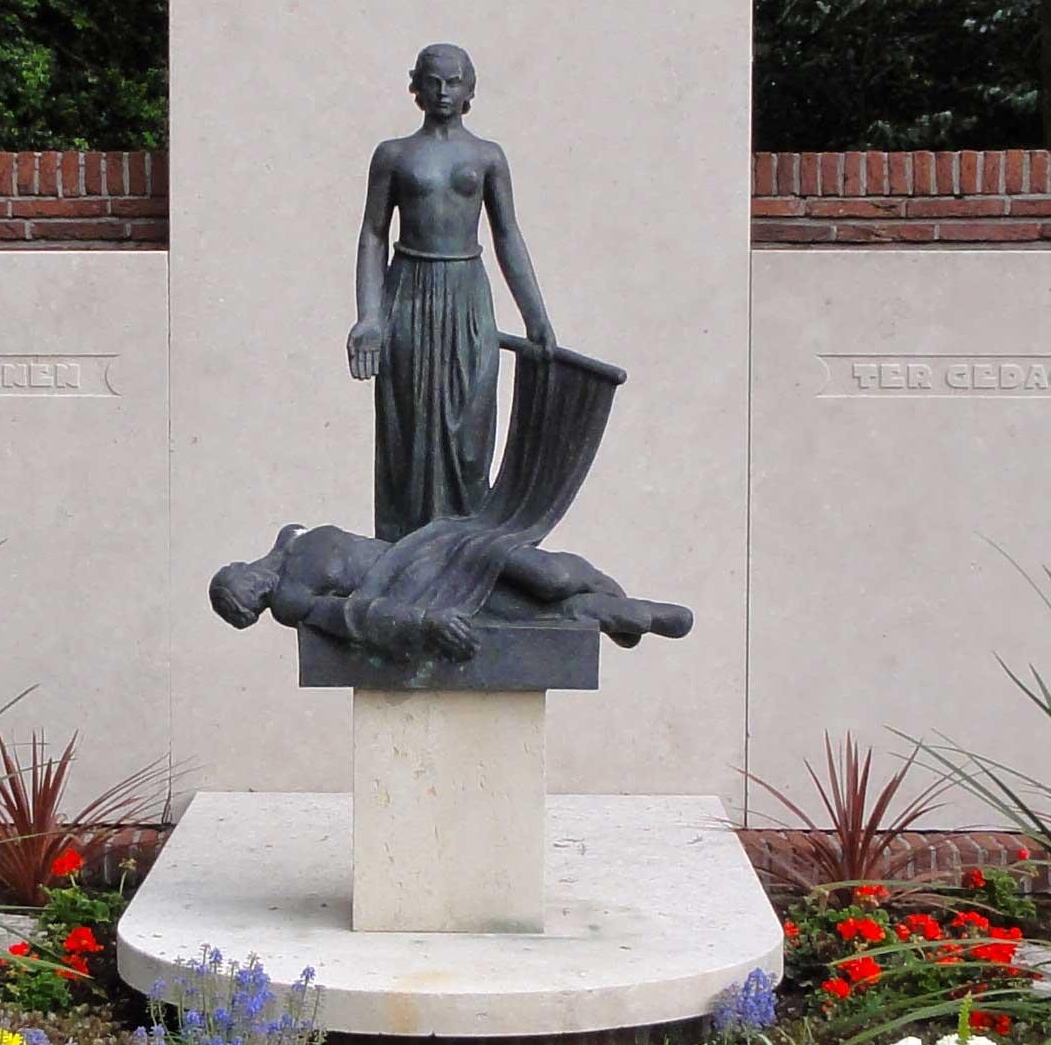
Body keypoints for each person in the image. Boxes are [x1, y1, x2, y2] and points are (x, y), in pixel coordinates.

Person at [349, 44, 550, 537]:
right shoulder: (394, 155)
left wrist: (536, 316)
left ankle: (463, 550)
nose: (443, 91)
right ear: (416, 87)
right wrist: (369, 316)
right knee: (408, 432)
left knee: (470, 436)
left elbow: (508, 235)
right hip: (408, 295)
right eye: (434, 81)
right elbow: (373, 234)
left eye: (454, 82)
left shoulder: (487, 157)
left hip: (467, 297)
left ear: (469, 90)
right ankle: (404, 552)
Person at [208, 520, 690, 664]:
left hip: (429, 548)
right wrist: (424, 622)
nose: (252, 595)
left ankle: (607, 592)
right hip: (420, 592)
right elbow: (352, 617)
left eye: (238, 590)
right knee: (530, 611)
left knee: (549, 576)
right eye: (246, 606)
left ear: (235, 568)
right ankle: (631, 614)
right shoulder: (289, 600)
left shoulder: (290, 536)